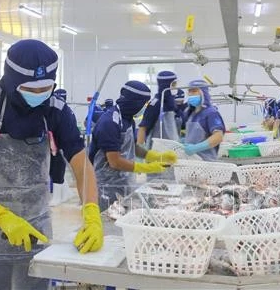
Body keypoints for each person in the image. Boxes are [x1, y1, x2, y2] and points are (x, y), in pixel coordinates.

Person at [0, 39, 104, 289]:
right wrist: (0, 216)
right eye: (30, 89)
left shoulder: (56, 110)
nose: (39, 96)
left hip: (35, 232)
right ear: (12, 79)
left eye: (45, 88)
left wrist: (92, 213)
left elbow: (82, 165)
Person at [90, 80, 177, 210]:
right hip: (105, 187)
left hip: (123, 181)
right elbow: (114, 161)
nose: (145, 107)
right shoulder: (110, 123)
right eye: (144, 103)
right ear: (134, 102)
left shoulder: (128, 119)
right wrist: (146, 168)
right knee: (108, 222)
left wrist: (154, 156)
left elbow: (132, 146)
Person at [182, 79, 225, 161]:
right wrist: (185, 140)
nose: (191, 94)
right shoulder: (192, 113)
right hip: (192, 161)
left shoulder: (211, 113)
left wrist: (195, 148)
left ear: (203, 93)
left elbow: (218, 136)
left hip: (206, 162)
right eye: (189, 91)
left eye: (194, 91)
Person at [137, 71, 179, 147]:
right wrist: (140, 149)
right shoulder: (155, 104)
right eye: (173, 84)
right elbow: (143, 128)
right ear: (166, 85)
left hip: (172, 148)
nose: (176, 87)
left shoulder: (171, 103)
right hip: (157, 150)